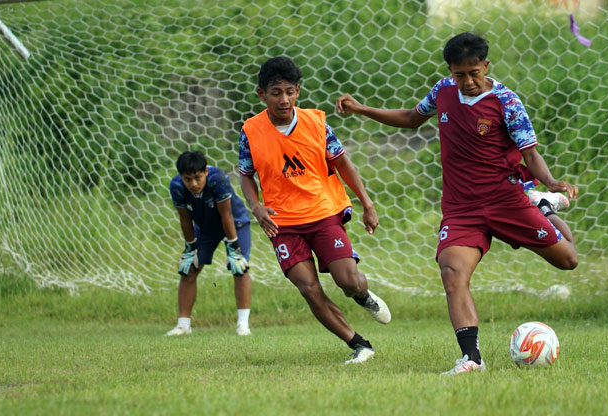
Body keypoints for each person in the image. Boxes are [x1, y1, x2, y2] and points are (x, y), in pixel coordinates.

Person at [336, 32, 578, 374]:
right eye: (460, 74)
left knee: (568, 260)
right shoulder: (443, 91)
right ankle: (472, 358)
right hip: (462, 208)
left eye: (474, 73)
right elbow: (410, 117)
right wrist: (361, 109)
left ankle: (543, 206)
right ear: (450, 70)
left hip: (507, 201)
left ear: (486, 66)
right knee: (452, 271)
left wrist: (551, 181)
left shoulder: (507, 102)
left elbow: (530, 154)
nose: (467, 81)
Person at [238, 56, 391, 365]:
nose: (284, 99)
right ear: (261, 94)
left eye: (290, 92)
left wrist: (367, 203)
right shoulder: (250, 131)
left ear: (298, 91)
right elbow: (245, 174)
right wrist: (256, 208)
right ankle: (359, 345)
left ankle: (363, 296)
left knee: (349, 281)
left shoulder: (317, 123)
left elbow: (342, 162)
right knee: (308, 288)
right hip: (282, 223)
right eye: (276, 92)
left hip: (323, 212)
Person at [166, 150, 253, 337]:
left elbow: (226, 214)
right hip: (205, 228)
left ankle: (243, 325)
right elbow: (184, 219)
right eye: (188, 179)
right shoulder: (177, 186)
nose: (194, 184)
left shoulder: (218, 179)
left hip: (234, 223)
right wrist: (190, 247)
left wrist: (234, 246)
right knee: (189, 268)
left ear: (205, 172)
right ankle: (183, 325)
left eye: (197, 177)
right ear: (181, 177)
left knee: (239, 267)